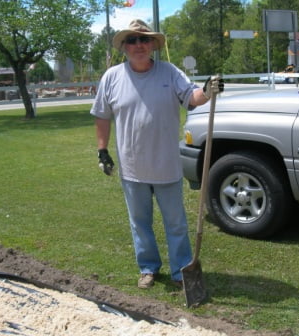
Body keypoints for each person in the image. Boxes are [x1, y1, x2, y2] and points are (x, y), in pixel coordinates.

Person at [90, 19, 223, 289]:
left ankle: (180, 270)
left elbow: (192, 96)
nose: (138, 45)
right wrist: (102, 150)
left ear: (152, 44)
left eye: (144, 39)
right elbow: (102, 116)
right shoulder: (112, 77)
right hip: (132, 168)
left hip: (166, 166)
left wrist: (207, 92)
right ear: (124, 46)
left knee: (176, 223)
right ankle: (148, 268)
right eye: (132, 40)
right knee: (140, 223)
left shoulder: (169, 72)